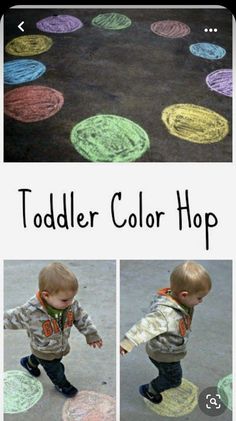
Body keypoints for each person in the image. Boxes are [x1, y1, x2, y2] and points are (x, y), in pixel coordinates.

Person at [4, 262, 103, 398]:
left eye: (72, 298)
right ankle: (62, 385)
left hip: (59, 347)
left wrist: (91, 334)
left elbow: (82, 318)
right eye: (64, 300)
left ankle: (29, 363)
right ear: (46, 295)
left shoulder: (70, 305)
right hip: (43, 348)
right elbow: (9, 318)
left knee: (42, 358)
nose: (70, 302)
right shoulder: (30, 312)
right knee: (56, 369)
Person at [120, 261, 212, 404]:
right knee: (173, 378)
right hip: (164, 354)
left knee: (169, 373)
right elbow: (145, 326)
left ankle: (165, 378)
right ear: (184, 295)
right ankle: (150, 390)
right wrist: (127, 342)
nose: (201, 302)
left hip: (170, 348)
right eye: (199, 298)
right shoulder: (165, 313)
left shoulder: (180, 301)